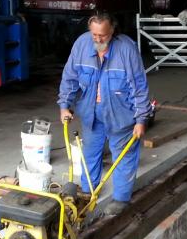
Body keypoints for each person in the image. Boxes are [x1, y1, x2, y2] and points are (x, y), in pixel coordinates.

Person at [58, 12, 151, 216]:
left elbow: (139, 86)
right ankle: (87, 192)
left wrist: (141, 119)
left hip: (121, 113)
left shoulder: (126, 49)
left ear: (113, 31)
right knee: (90, 153)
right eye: (94, 35)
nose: (98, 40)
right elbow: (70, 77)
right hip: (91, 112)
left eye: (103, 35)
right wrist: (65, 105)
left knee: (123, 156)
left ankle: (121, 198)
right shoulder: (81, 45)